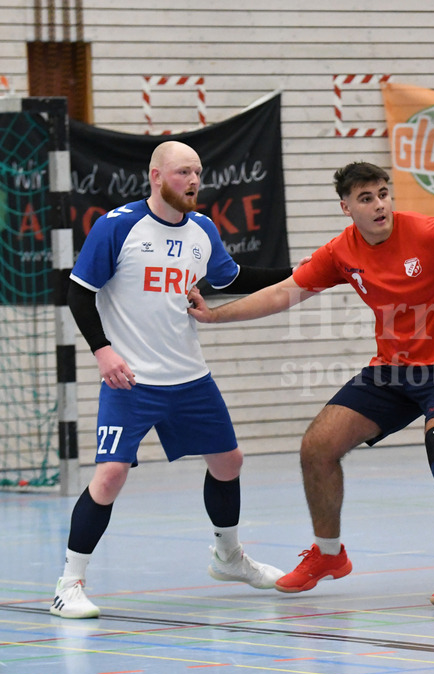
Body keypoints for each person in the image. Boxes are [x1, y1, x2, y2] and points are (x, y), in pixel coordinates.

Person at [188, 161, 434, 610]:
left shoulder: (428, 232)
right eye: (366, 198)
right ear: (347, 207)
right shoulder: (342, 251)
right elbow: (284, 292)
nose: (379, 204)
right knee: (317, 446)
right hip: (392, 371)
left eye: (383, 193)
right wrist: (215, 315)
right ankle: (328, 554)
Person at [52, 141, 291, 619]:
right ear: (157, 177)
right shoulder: (118, 226)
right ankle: (68, 585)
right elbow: (78, 293)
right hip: (131, 380)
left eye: (198, 172)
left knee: (229, 462)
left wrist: (306, 272)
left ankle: (228, 558)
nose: (194, 180)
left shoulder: (203, 230)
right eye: (183, 172)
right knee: (111, 475)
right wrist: (103, 352)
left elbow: (232, 277)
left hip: (190, 378)